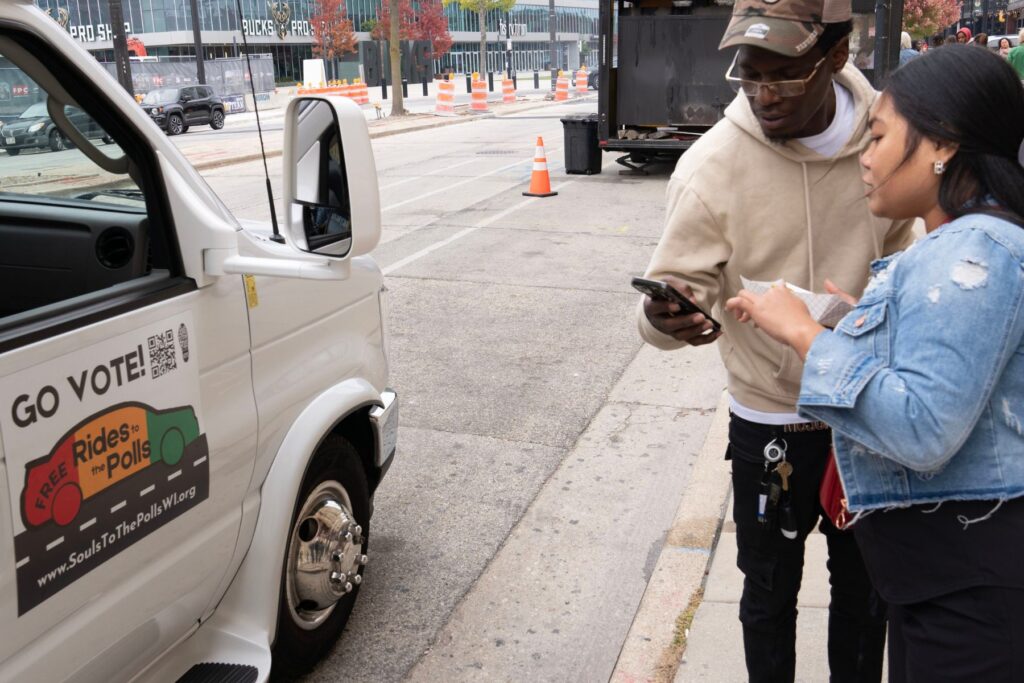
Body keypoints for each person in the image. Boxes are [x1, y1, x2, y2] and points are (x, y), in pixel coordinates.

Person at [636, 0, 917, 678]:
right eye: (747, 73)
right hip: (769, 422)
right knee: (766, 594)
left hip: (865, 413)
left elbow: (911, 241)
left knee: (866, 593)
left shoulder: (888, 139)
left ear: (837, 56)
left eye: (783, 75)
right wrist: (671, 319)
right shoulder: (712, 168)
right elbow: (665, 298)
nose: (762, 93)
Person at [725, 45, 1024, 681]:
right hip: (951, 581)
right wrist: (860, 324)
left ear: (941, 145)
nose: (865, 158)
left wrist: (808, 336)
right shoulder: (967, 247)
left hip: (967, 588)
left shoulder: (970, 255)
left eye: (880, 136)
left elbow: (921, 425)